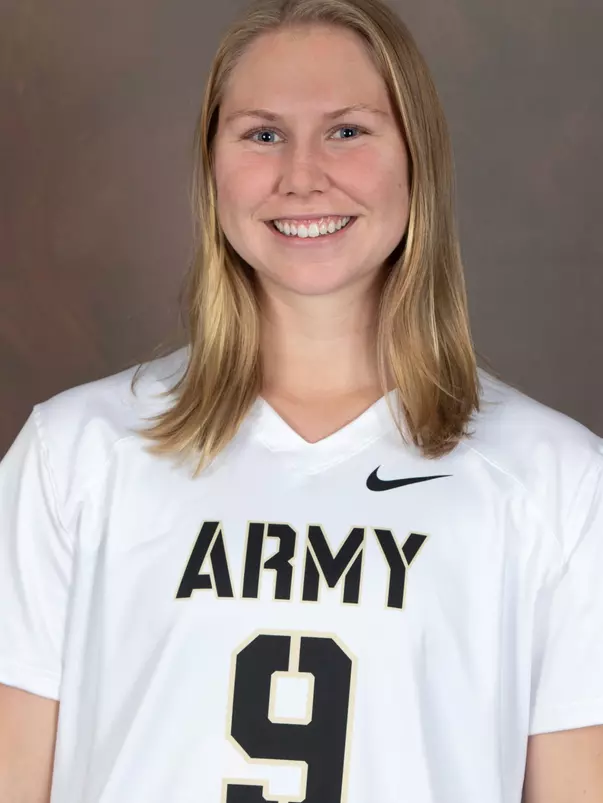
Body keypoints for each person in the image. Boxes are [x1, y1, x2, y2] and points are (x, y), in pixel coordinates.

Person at [1, 0, 602, 800]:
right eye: (262, 133)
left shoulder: (557, 479)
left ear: (415, 156)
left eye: (348, 130)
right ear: (211, 165)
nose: (302, 175)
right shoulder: (72, 452)